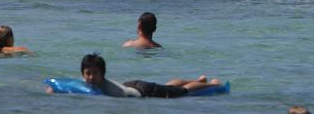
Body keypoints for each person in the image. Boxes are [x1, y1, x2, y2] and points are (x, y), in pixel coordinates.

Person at [48, 53, 222, 98]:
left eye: (95, 73)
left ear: (103, 74)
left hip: (144, 91)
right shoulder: (87, 85)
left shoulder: (110, 92)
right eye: (87, 74)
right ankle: (198, 80)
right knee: (169, 85)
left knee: (182, 92)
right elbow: (63, 86)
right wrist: (53, 90)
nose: (90, 78)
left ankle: (212, 84)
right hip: (131, 84)